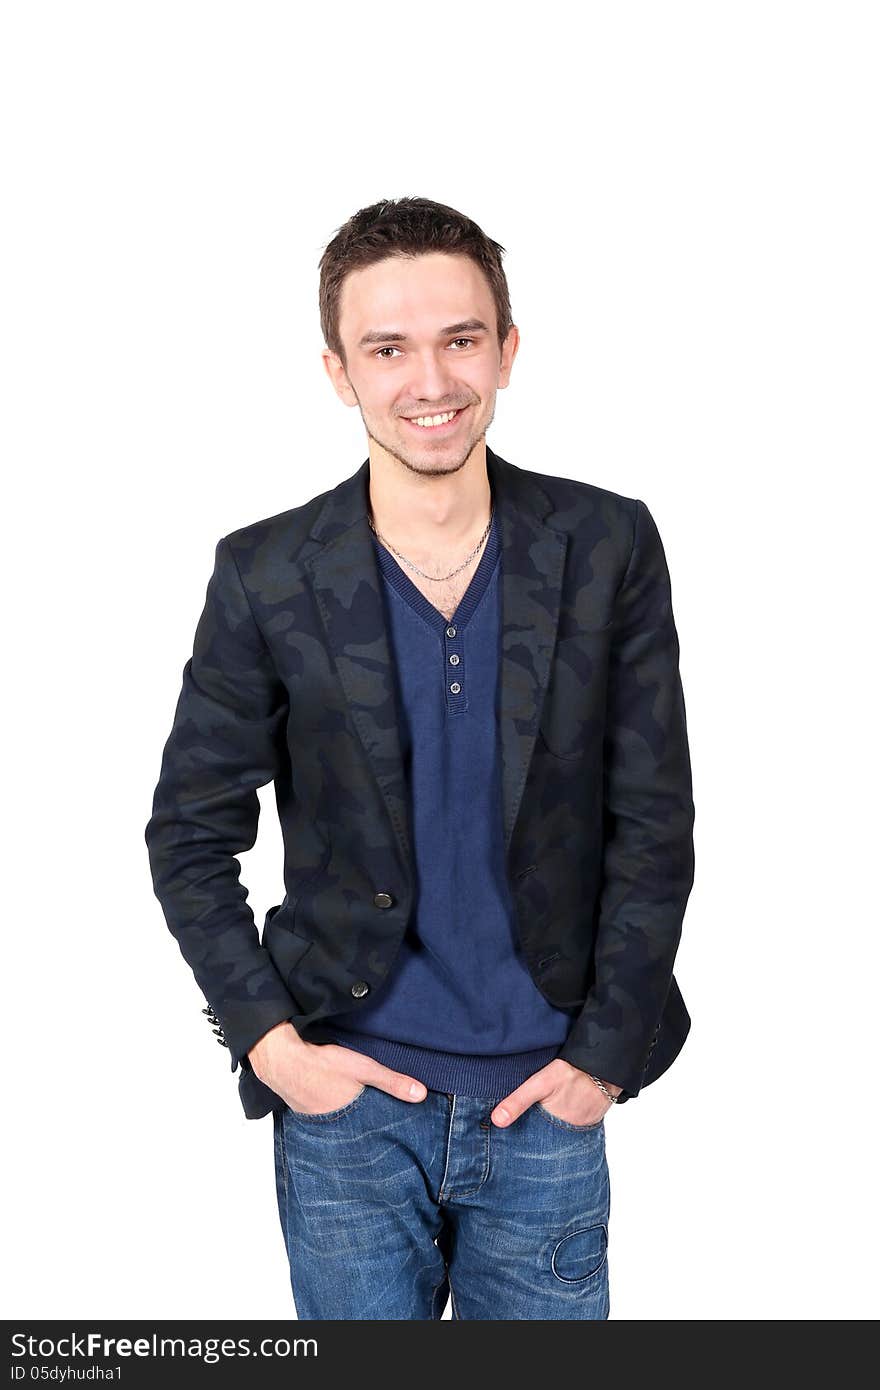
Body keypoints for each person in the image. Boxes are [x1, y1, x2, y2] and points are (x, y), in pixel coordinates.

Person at [145, 195, 696, 1320]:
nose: (430, 380)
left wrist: (600, 1061)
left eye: (460, 339)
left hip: (545, 1098)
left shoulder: (604, 547)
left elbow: (652, 824)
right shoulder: (267, 572)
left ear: (506, 350)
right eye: (386, 348)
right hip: (348, 1106)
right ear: (339, 371)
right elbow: (189, 833)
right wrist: (272, 1046)